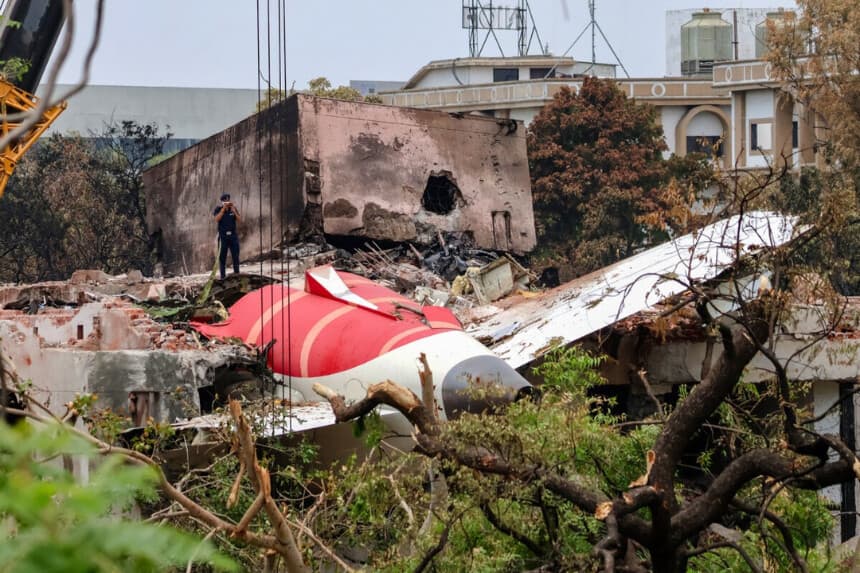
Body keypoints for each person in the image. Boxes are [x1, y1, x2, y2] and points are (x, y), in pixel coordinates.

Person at [213, 193, 241, 279]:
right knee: (222, 257)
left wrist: (234, 211)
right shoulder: (218, 209)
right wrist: (223, 210)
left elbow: (239, 220)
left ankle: (237, 273)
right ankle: (223, 276)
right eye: (225, 201)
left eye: (228, 200)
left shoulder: (233, 209)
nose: (227, 202)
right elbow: (216, 219)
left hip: (233, 236)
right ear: (222, 202)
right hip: (223, 237)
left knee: (235, 255)